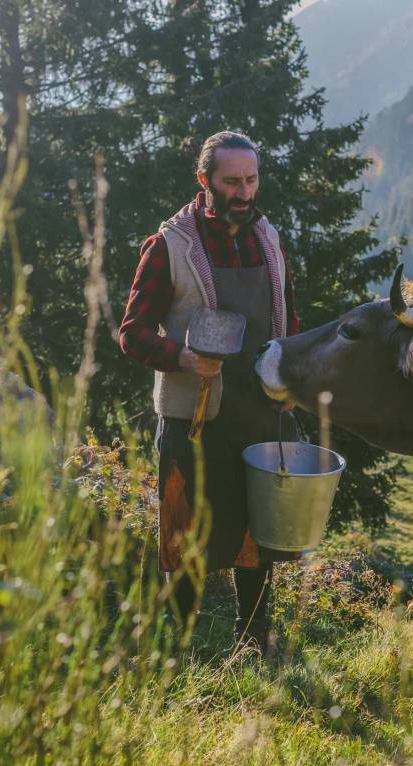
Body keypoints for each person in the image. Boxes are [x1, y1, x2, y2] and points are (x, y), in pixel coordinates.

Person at [119, 131, 300, 651]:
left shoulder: (269, 239)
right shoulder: (170, 246)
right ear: (204, 181)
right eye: (231, 182)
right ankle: (184, 645)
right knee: (185, 535)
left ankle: (254, 639)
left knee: (257, 535)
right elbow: (132, 333)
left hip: (262, 412)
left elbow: (290, 318)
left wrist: (291, 380)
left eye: (252, 179)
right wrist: (181, 357)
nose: (245, 192)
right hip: (192, 417)